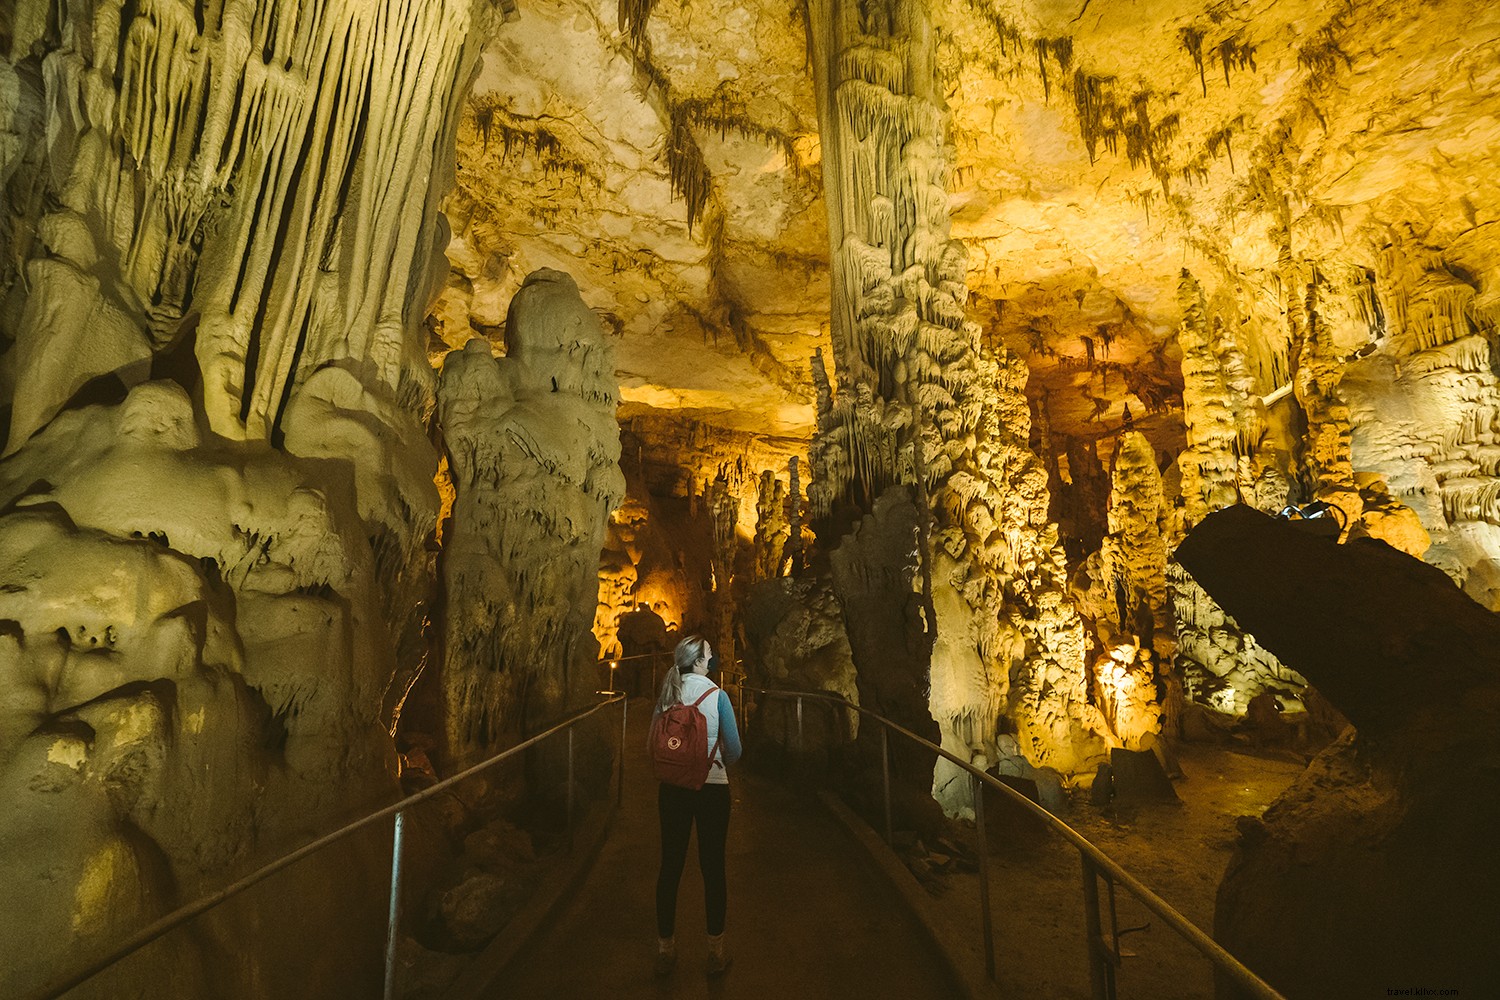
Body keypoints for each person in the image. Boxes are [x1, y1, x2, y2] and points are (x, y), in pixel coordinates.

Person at [652, 634, 742, 977]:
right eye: (709, 654)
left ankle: (665, 951)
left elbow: (652, 745)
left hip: (672, 791)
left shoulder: (667, 696)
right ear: (701, 662)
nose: (713, 657)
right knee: (713, 867)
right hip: (712, 790)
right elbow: (734, 751)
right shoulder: (717, 696)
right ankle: (716, 954)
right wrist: (712, 759)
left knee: (670, 867)